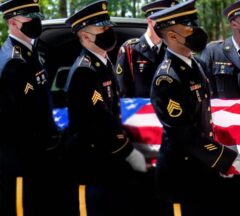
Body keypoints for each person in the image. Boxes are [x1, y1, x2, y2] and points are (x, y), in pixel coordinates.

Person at [149, 0, 240, 215]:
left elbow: (204, 120)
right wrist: (230, 159)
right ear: (172, 36)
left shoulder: (196, 65)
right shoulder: (167, 78)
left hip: (200, 168)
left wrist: (221, 157)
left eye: (195, 22)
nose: (197, 30)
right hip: (181, 176)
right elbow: (184, 134)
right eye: (190, 26)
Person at [64, 1, 146, 215]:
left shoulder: (103, 62)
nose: (109, 32)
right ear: (85, 36)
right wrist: (129, 152)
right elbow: (99, 120)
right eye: (102, 28)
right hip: (94, 164)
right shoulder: (85, 71)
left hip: (108, 160)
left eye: (108, 26)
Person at [0, 0, 63, 215]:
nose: (36, 20)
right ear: (13, 22)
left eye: (37, 15)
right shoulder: (12, 62)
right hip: (22, 161)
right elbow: (13, 124)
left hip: (39, 157)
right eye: (29, 16)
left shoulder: (31, 54)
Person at [115, 0, 178, 97]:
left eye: (169, 20)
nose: (167, 25)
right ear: (149, 19)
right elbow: (122, 93)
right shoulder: (129, 50)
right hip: (139, 110)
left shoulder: (171, 50)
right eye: (162, 19)